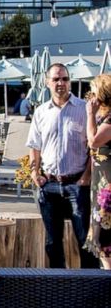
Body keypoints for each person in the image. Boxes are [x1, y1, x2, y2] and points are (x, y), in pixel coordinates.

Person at [26, 63, 99, 269]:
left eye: (65, 79)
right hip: (49, 185)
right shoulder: (41, 112)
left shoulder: (84, 111)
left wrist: (86, 176)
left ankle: (90, 289)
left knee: (85, 240)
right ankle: (58, 286)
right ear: (47, 82)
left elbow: (94, 148)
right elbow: (34, 146)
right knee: (52, 242)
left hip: (77, 184)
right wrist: (34, 173)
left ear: (70, 81)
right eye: (56, 79)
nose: (61, 83)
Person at [84, 74, 111, 269]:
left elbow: (94, 141)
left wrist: (90, 115)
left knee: (105, 238)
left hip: (108, 187)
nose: (90, 96)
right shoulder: (104, 116)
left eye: (93, 91)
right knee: (100, 235)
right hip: (100, 183)